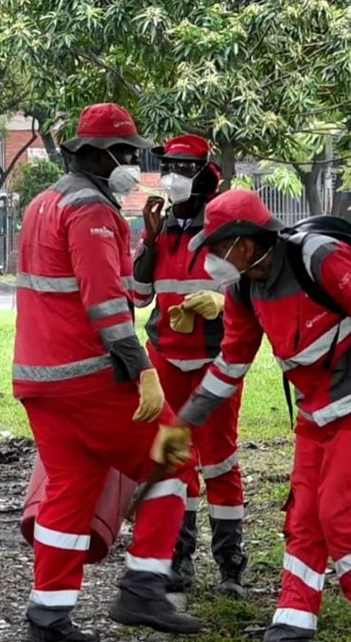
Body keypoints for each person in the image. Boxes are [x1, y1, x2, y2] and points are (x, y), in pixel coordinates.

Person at [157, 189, 351, 642]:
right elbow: (232, 362)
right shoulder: (245, 287)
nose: (213, 263)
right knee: (303, 526)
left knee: (342, 520)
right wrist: (186, 422)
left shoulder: (320, 258)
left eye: (216, 250)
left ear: (242, 243)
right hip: (316, 414)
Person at [13, 102, 203, 642]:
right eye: (124, 154)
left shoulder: (43, 203)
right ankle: (143, 587)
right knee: (174, 459)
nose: (131, 164)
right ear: (95, 155)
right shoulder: (93, 211)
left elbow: (99, 288)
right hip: (91, 377)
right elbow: (105, 306)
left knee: (69, 494)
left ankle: (48, 620)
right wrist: (144, 373)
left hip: (40, 381)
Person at [129, 134, 247, 598]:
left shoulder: (224, 229)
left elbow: (251, 294)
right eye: (168, 167)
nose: (172, 177)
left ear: (205, 176)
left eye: (183, 168)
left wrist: (222, 301)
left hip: (216, 361)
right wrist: (150, 243)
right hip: (166, 358)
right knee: (176, 460)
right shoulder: (160, 230)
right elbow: (138, 297)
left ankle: (230, 565)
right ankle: (179, 560)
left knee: (220, 461)